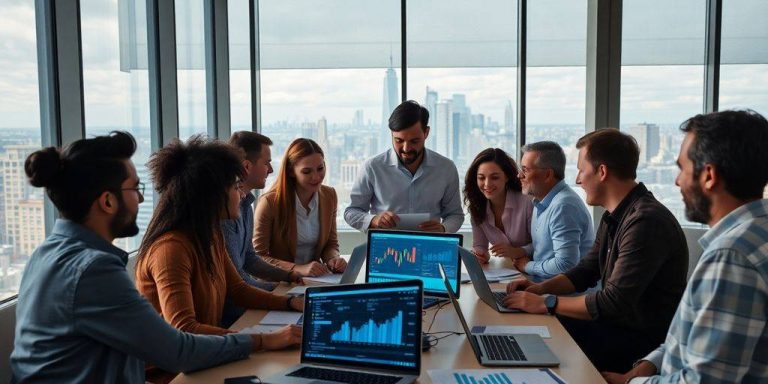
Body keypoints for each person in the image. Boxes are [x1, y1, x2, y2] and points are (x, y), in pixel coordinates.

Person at [10, 132, 276, 382]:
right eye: (135, 189)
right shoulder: (94, 269)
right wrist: (263, 341)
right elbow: (177, 350)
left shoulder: (47, 253)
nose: (140, 198)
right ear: (107, 202)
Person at [602, 110, 768, 384]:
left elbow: (705, 381)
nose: (677, 181)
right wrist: (649, 365)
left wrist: (631, 383)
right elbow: (693, 337)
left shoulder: (732, 257)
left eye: (682, 168)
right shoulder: (755, 235)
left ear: (709, 176)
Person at [504, 129, 688, 373]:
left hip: (635, 343)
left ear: (601, 172)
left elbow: (612, 302)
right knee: (525, 329)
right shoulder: (616, 215)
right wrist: (540, 289)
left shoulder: (646, 221)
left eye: (581, 170)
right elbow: (585, 271)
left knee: (537, 338)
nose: (578, 180)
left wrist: (546, 302)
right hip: (614, 329)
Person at [135, 136, 302, 380]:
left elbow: (238, 290)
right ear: (213, 195)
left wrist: (290, 303)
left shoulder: (208, 234)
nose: (242, 195)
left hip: (206, 360)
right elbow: (184, 329)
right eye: (235, 187)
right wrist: (263, 340)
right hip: (173, 374)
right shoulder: (171, 249)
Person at [344, 100, 464, 233]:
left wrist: (443, 228)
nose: (406, 149)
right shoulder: (372, 167)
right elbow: (351, 212)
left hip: (429, 246)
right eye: (399, 141)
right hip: (387, 247)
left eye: (414, 141)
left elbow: (455, 215)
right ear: (391, 134)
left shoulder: (445, 168)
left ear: (426, 133)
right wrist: (373, 220)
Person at [221, 131, 302, 326]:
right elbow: (237, 281)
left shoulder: (246, 204)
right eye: (266, 163)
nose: (271, 170)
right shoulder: (224, 214)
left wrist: (288, 276)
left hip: (245, 307)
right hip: (232, 316)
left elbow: (249, 258)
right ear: (247, 166)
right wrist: (278, 293)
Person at [253, 138, 347, 276]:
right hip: (279, 281)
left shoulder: (329, 196)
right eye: (307, 172)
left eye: (320, 168)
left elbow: (330, 244)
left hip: (315, 280)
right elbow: (258, 257)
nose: (316, 177)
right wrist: (297, 268)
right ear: (291, 172)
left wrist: (333, 259)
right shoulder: (269, 203)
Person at [511, 141, 594, 278]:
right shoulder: (542, 201)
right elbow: (545, 246)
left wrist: (527, 266)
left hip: (563, 296)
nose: (519, 175)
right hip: (544, 286)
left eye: (525, 170)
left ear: (548, 175)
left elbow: (566, 264)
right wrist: (520, 251)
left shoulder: (564, 206)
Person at [463, 148, 533, 264]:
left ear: (507, 177)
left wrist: (517, 251)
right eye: (481, 178)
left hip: (535, 270)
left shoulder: (527, 202)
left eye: (494, 177)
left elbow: (542, 245)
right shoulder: (477, 207)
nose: (487, 184)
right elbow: (480, 245)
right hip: (509, 270)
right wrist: (480, 255)